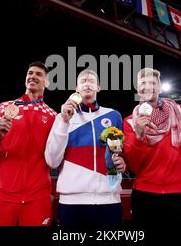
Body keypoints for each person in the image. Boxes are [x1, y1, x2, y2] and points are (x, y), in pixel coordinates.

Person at [0, 61, 57, 226]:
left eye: (39, 74)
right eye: (30, 73)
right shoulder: (4, 108)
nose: (33, 76)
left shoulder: (54, 116)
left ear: (47, 83)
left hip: (37, 197)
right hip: (1, 194)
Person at [45, 69, 126, 228]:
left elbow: (121, 154)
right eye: (83, 81)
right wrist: (64, 122)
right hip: (72, 203)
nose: (87, 84)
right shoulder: (61, 117)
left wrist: (123, 163)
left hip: (109, 200)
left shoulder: (114, 115)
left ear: (99, 87)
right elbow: (52, 161)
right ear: (76, 88)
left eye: (91, 81)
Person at [122, 68, 181, 227]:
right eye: (143, 83)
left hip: (179, 193)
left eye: (152, 83)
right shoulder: (129, 122)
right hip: (144, 195)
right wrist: (139, 135)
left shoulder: (179, 112)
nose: (147, 86)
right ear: (138, 89)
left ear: (160, 88)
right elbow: (133, 165)